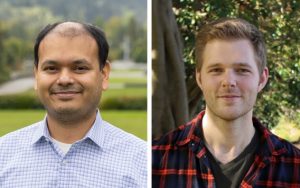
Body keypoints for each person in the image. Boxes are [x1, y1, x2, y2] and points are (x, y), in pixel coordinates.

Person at [152, 18, 300, 188]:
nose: (228, 81)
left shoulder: (294, 167)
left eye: (242, 70)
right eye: (216, 70)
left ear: (262, 78)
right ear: (200, 78)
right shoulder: (155, 161)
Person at [0, 21, 147, 187]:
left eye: (79, 68)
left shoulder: (142, 162)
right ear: (36, 75)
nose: (64, 80)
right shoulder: (3, 155)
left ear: (104, 74)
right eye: (51, 68)